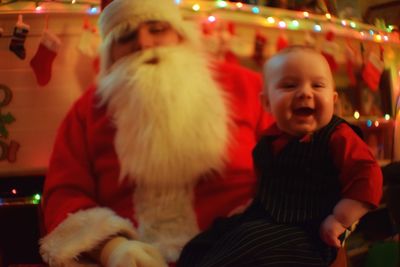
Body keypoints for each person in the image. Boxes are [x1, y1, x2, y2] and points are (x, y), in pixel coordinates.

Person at [39, 0, 273, 266]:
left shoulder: (248, 87)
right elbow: (64, 193)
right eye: (126, 36)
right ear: (110, 53)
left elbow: (294, 162)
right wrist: (112, 248)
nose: (145, 44)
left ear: (179, 33)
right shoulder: (86, 112)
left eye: (157, 29)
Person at [177, 45, 383, 267]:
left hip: (312, 229)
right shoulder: (269, 140)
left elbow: (368, 176)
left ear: (333, 100)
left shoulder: (338, 136)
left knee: (249, 245)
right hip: (265, 216)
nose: (305, 92)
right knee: (206, 240)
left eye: (317, 85)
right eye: (289, 85)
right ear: (266, 103)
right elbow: (268, 181)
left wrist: (341, 219)